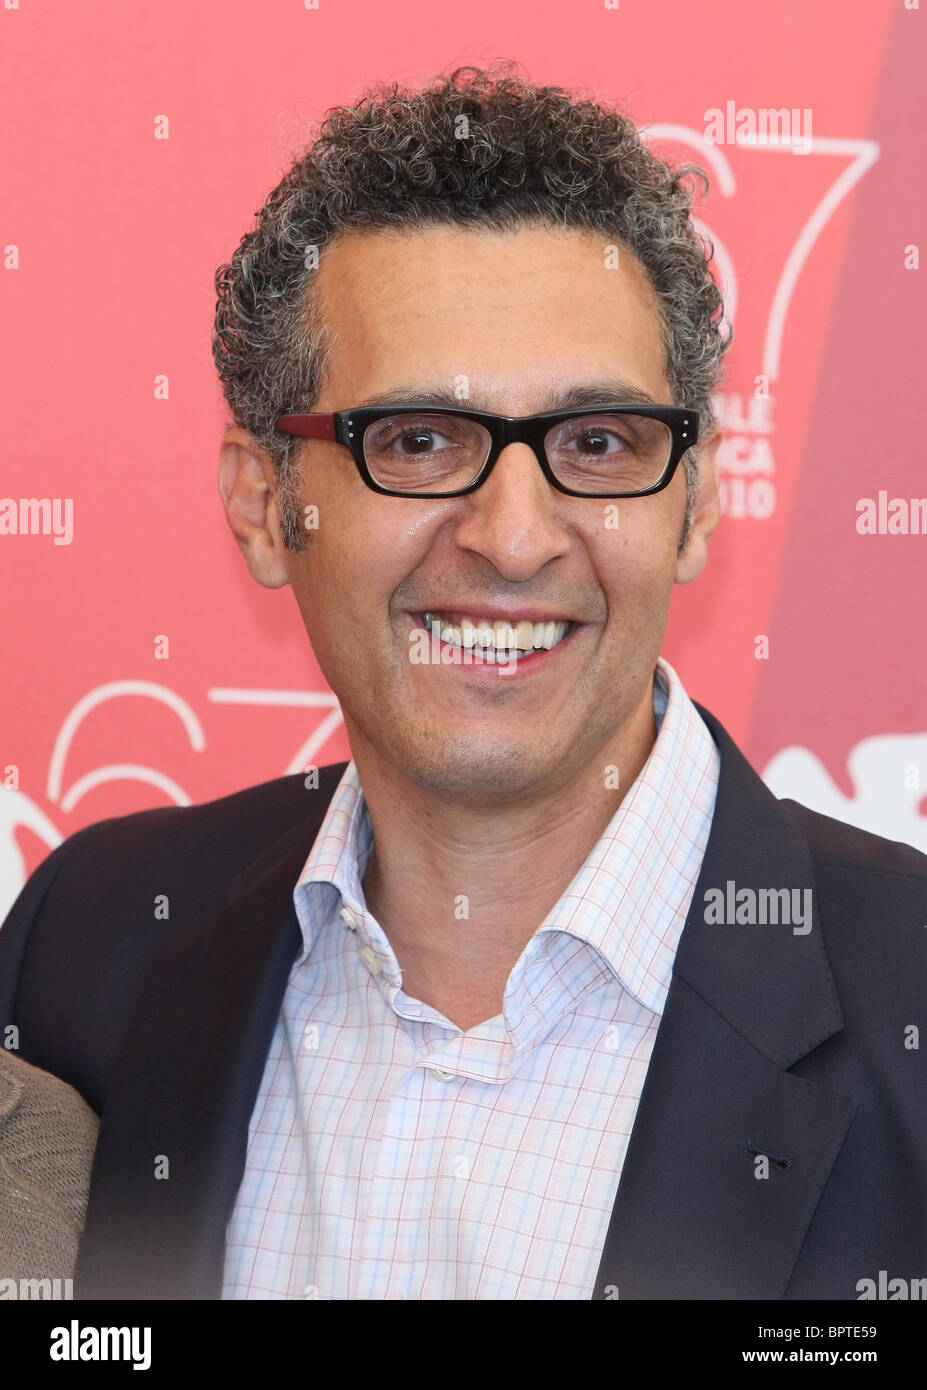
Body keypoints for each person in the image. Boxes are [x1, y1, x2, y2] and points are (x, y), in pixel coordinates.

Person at [1, 64, 925, 1302]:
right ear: (266, 504)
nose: (515, 534)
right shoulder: (89, 943)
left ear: (694, 503)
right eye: (420, 441)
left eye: (598, 443)